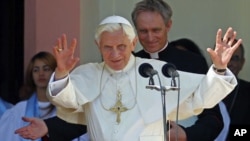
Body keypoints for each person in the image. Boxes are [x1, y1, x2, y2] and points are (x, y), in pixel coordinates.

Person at [14, 15, 241, 141]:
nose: (115, 54)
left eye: (121, 46)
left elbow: (198, 100)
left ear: (133, 44)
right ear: (98, 46)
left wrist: (219, 69)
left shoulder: (157, 71)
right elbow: (68, 102)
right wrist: (62, 73)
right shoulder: (89, 74)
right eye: (108, 47)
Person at [131, 1, 225, 140]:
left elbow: (213, 118)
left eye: (156, 30)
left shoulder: (193, 62)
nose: (150, 38)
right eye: (143, 31)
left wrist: (186, 135)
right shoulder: (129, 65)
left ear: (168, 25)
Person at [0, 51, 86, 141]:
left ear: (54, 72)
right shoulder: (19, 111)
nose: (41, 73)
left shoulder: (68, 109)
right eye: (36, 70)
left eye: (46, 69)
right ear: (31, 75)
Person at [169, 38, 230, 141]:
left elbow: (218, 133)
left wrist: (187, 135)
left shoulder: (213, 103)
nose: (179, 68)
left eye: (185, 61)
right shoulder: (159, 96)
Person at [222, 39, 250, 141]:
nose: (229, 63)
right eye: (225, 56)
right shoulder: (202, 87)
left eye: (234, 58)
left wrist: (229, 135)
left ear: (242, 63)